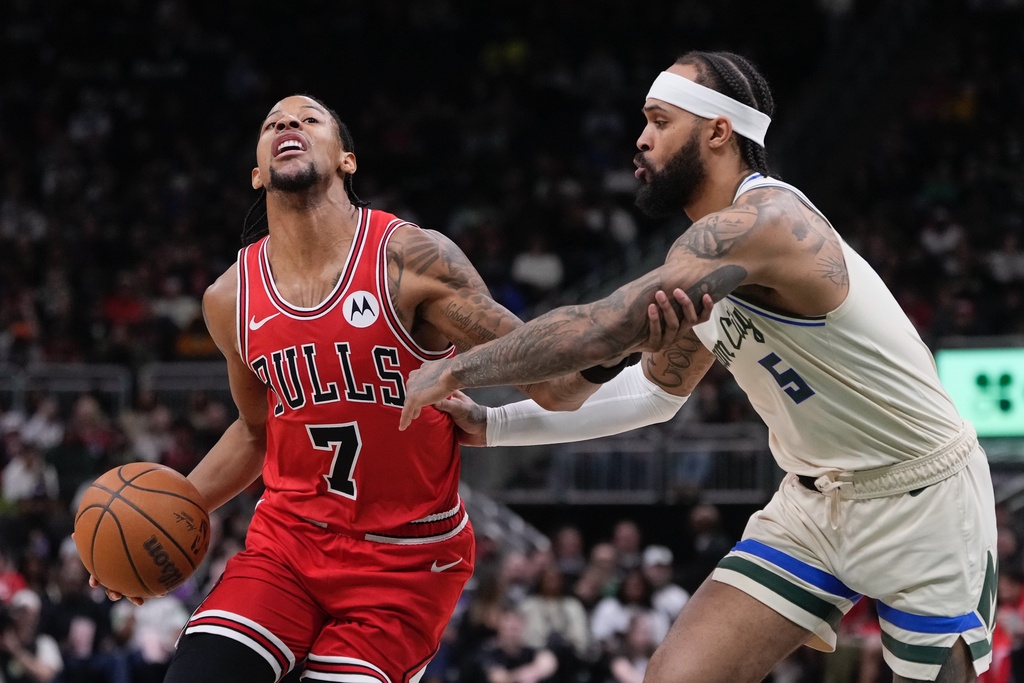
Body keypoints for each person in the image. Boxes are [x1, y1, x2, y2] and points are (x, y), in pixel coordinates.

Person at [400, 51, 998, 683]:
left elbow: (602, 324)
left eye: (659, 120)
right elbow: (654, 392)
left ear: (718, 131)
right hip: (812, 503)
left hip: (922, 498)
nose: (641, 137)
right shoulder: (703, 260)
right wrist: (495, 425)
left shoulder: (769, 223)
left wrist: (459, 369)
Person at [86, 94, 703, 683]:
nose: (288, 125)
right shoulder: (230, 299)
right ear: (256, 173)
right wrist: (161, 516)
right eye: (273, 123)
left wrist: (619, 343)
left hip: (405, 564)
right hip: (288, 546)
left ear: (346, 159)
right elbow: (256, 431)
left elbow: (553, 387)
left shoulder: (412, 259)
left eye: (309, 119)